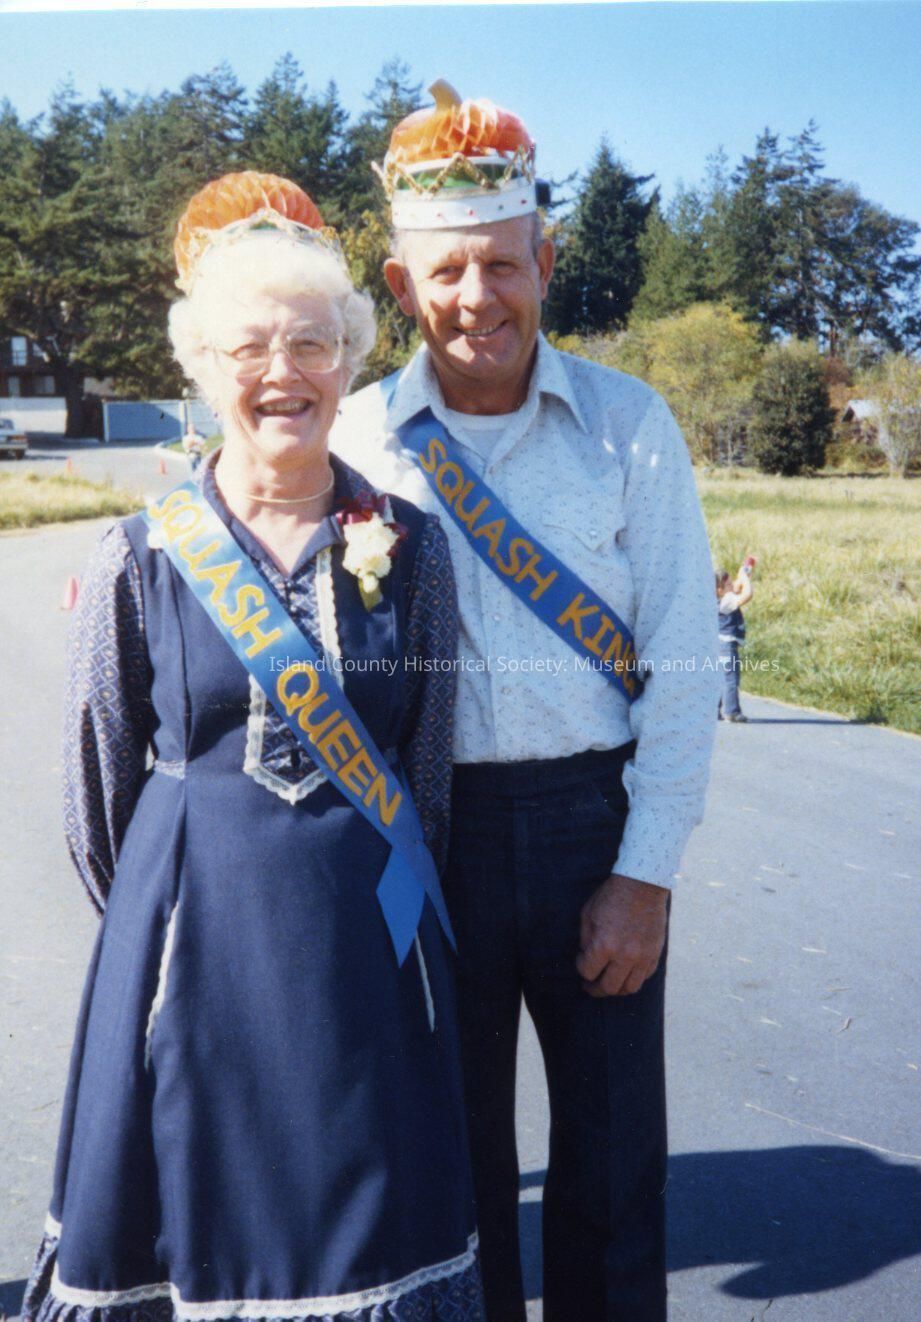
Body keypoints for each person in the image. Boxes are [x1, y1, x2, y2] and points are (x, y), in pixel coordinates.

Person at [22, 171, 483, 1322]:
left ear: (350, 360)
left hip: (364, 962)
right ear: (202, 366)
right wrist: (166, 908)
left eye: (313, 343)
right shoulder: (140, 553)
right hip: (190, 955)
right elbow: (95, 793)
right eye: (249, 348)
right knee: (192, 1209)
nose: (284, 372)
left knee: (368, 1221)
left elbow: (426, 774)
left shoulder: (411, 549)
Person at [330, 83, 719, 1321]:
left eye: (501, 264)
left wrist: (644, 871)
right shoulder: (354, 441)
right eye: (446, 271)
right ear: (402, 286)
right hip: (426, 836)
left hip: (589, 828)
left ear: (544, 263)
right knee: (455, 1173)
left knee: (611, 1168)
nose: (476, 297)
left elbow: (684, 661)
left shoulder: (628, 424)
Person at [716, 560, 754, 723]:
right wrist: (745, 579)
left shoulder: (721, 597)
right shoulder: (726, 600)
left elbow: (737, 587)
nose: (733, 586)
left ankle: (713, 710)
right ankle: (731, 712)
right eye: (729, 584)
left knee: (720, 678)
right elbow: (747, 595)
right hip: (727, 645)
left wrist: (744, 573)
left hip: (719, 643)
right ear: (720, 590)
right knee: (731, 678)